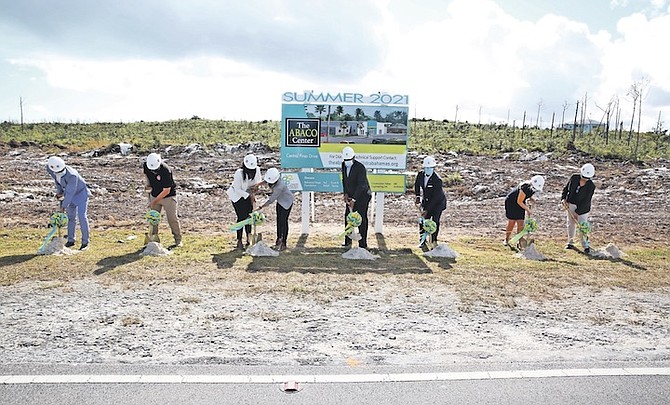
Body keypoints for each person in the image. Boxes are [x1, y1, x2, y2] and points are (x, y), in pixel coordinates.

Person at [46, 156, 92, 250]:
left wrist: (63, 206)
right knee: (71, 217)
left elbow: (70, 192)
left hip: (80, 194)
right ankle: (71, 240)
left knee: (82, 217)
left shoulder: (72, 175)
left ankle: (85, 242)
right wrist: (59, 192)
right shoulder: (51, 168)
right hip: (68, 194)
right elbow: (57, 181)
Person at [143, 152, 182, 248]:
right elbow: (147, 176)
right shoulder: (147, 165)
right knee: (153, 218)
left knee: (172, 218)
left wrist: (154, 201)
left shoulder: (165, 170)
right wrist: (148, 185)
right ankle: (153, 238)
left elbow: (166, 190)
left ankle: (178, 239)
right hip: (154, 194)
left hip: (168, 197)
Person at [227, 154, 262, 249]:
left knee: (249, 217)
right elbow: (237, 189)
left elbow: (258, 182)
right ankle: (239, 240)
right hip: (237, 197)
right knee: (241, 217)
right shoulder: (239, 173)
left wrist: (255, 191)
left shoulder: (257, 170)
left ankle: (248, 238)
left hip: (249, 196)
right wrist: (248, 195)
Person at [341, 146, 372, 249]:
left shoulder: (360, 167)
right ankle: (348, 242)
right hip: (351, 195)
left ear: (353, 158)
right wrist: (346, 194)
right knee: (348, 218)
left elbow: (361, 185)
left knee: (361, 219)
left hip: (362, 196)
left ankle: (362, 244)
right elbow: (345, 180)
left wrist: (354, 199)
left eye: (349, 160)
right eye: (345, 160)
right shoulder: (343, 165)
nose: (347, 162)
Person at [561, 163, 596, 253]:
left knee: (582, 226)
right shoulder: (574, 178)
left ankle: (585, 245)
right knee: (571, 224)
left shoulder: (591, 186)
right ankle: (570, 242)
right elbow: (566, 189)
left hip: (583, 208)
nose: (584, 179)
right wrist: (563, 199)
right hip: (571, 204)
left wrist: (577, 212)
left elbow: (586, 200)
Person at [414, 156, 447, 248]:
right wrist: (417, 196)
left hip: (438, 203)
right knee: (423, 221)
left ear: (433, 168)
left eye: (430, 168)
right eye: (426, 168)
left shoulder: (437, 180)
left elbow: (436, 198)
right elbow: (417, 185)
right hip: (427, 201)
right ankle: (422, 241)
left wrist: (427, 210)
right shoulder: (421, 175)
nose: (428, 169)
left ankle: (433, 241)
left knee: (434, 222)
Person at [504, 175, 545, 249]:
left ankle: (519, 242)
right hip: (511, 202)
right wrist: (527, 209)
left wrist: (531, 199)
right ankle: (506, 240)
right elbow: (519, 201)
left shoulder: (533, 189)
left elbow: (525, 197)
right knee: (512, 222)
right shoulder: (525, 187)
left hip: (521, 204)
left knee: (520, 223)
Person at [258, 168, 294, 251]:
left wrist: (261, 206)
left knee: (283, 221)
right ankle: (279, 238)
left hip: (287, 202)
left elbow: (271, 199)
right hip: (280, 200)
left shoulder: (279, 187)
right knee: (278, 219)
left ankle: (284, 242)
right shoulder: (273, 178)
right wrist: (258, 185)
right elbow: (266, 181)